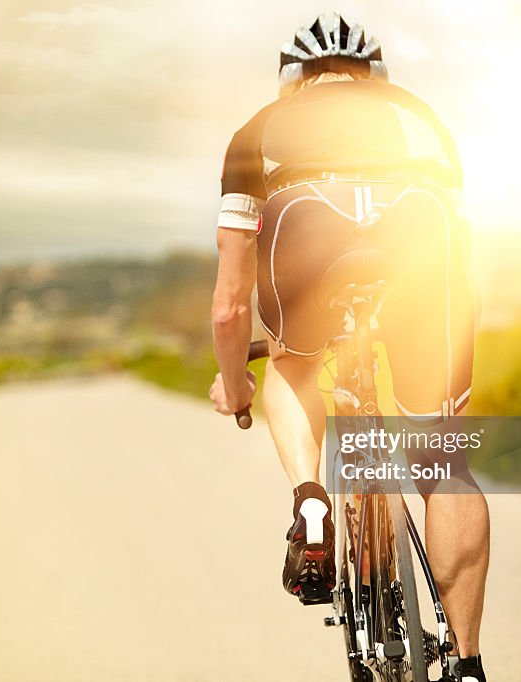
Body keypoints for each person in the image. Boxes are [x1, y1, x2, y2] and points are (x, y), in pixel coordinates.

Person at [207, 13, 490, 681]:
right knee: (441, 458)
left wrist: (236, 380)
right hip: (418, 230)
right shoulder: (418, 118)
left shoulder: (258, 131)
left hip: (303, 227)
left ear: (291, 80)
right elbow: (463, 259)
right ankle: (469, 665)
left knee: (293, 362)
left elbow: (229, 307)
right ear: (376, 77)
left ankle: (311, 501)